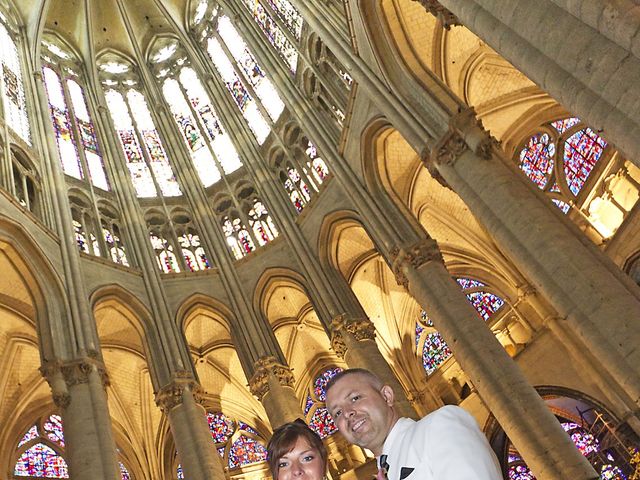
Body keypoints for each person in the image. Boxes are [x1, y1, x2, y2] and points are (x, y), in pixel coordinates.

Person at [325, 368, 502, 480]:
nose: (347, 413)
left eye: (355, 398)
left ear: (387, 396)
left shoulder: (439, 425)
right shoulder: (384, 471)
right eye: (337, 413)